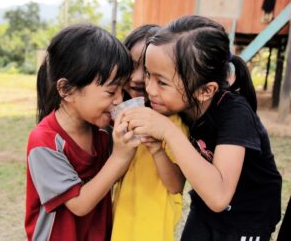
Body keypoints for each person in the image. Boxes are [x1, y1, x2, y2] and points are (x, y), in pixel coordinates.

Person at [122, 15, 282, 241]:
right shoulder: (179, 104)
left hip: (248, 219)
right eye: (149, 74)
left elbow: (219, 197)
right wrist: (157, 145)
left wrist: (167, 131)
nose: (149, 88)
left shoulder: (235, 114)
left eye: (162, 82)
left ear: (205, 91)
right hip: (204, 209)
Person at [25, 24, 140, 241]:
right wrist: (120, 156)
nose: (119, 100)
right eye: (110, 91)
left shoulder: (102, 131)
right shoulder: (45, 141)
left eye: (121, 90)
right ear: (67, 90)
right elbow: (79, 204)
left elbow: (113, 179)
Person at [111, 24, 188, 241]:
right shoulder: (116, 116)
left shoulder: (172, 122)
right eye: (132, 66)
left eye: (146, 70)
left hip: (151, 230)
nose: (136, 77)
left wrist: (155, 147)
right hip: (120, 224)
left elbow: (176, 185)